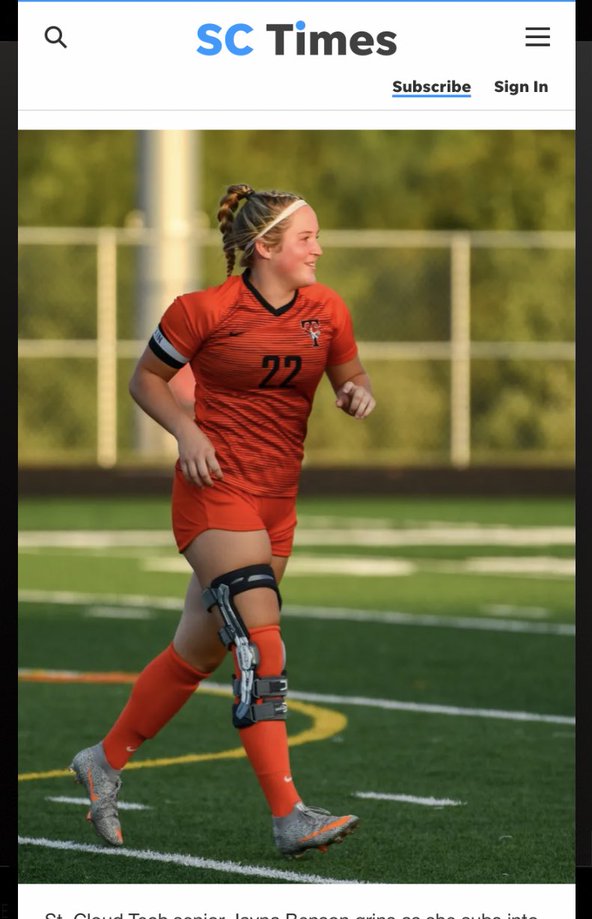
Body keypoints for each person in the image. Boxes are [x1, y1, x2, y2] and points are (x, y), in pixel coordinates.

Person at [70, 183, 376, 859]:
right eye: (306, 239)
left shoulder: (327, 309)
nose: (319, 249)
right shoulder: (202, 311)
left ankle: (104, 759)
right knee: (260, 643)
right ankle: (288, 814)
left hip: (276, 503)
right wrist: (186, 431)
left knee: (199, 652)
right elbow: (144, 380)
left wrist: (357, 393)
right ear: (265, 248)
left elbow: (349, 377)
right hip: (215, 493)